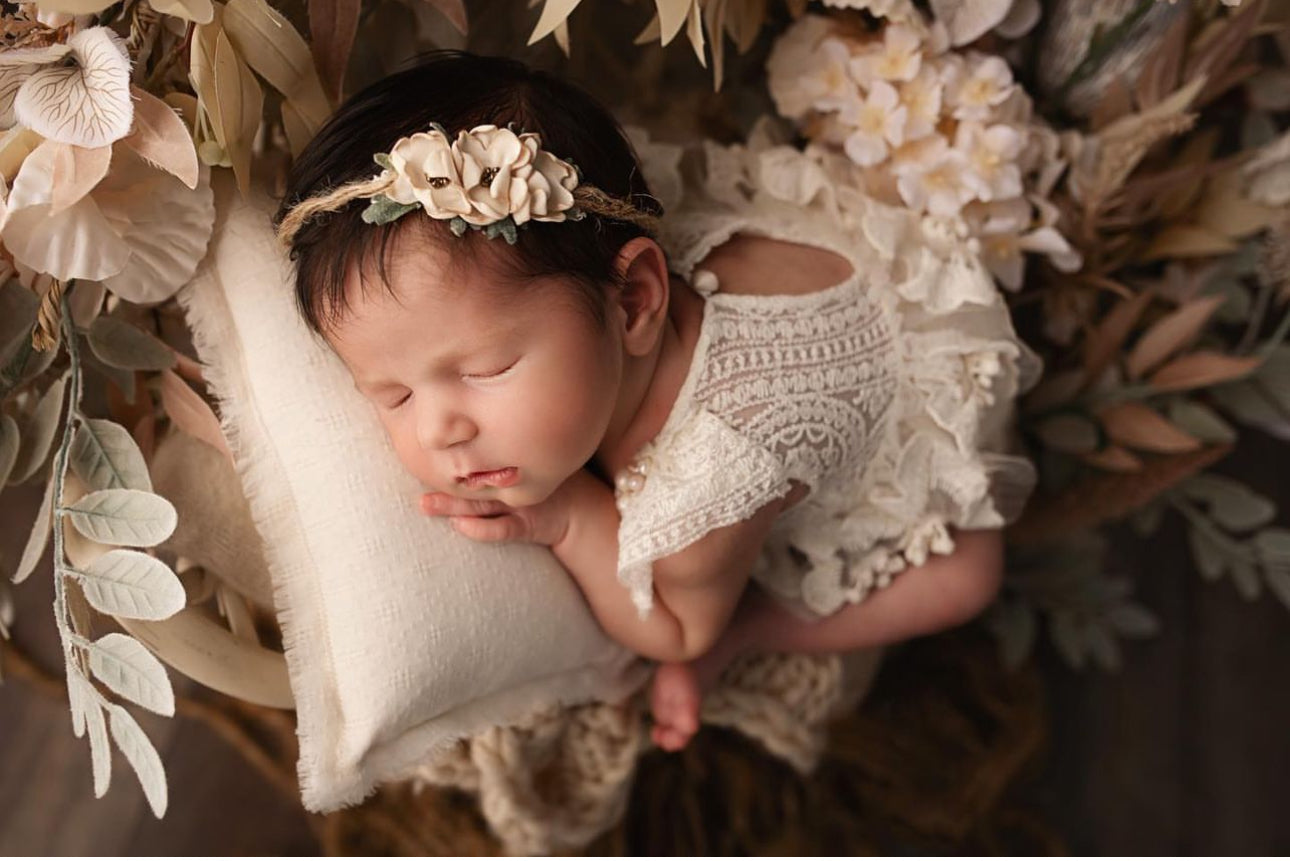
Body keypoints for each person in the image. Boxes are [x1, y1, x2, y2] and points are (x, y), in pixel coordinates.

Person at [273, 49, 1040, 752]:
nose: (441, 426)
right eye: (393, 393)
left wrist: (572, 515)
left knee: (969, 574)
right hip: (825, 270)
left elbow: (678, 630)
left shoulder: (708, 483)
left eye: (488, 368)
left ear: (636, 298)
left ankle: (762, 630)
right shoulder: (599, 262)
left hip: (922, 374)